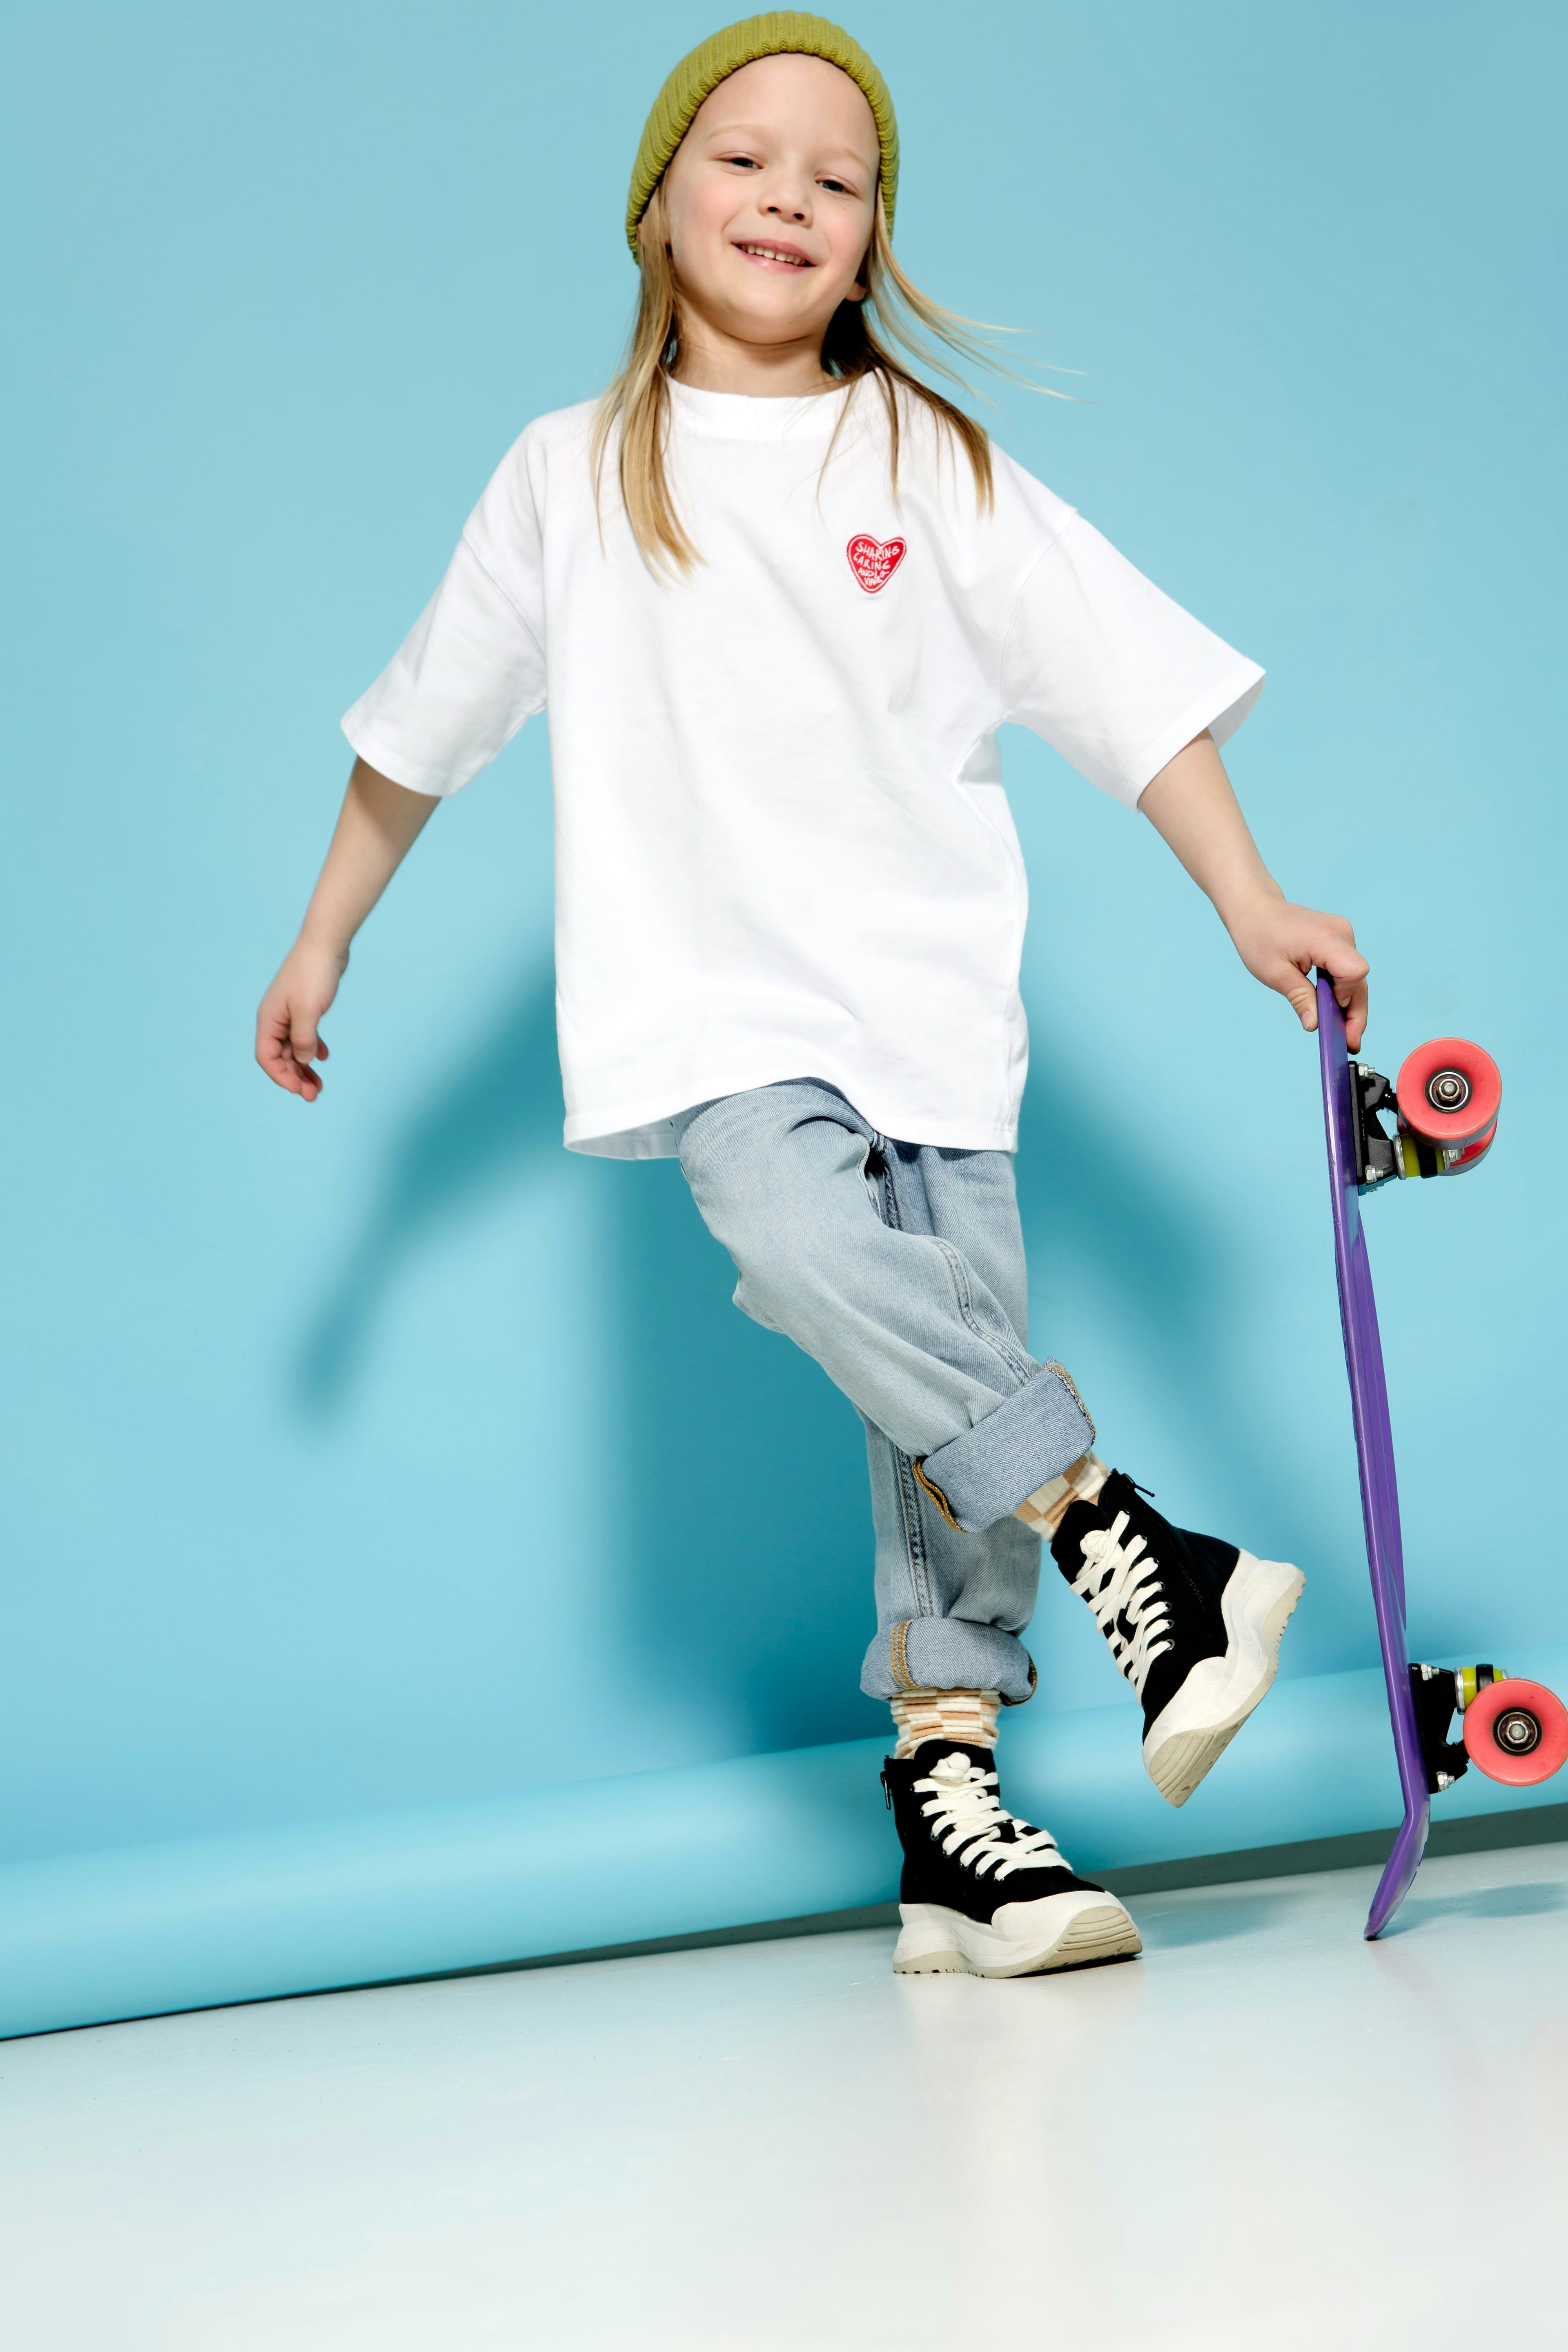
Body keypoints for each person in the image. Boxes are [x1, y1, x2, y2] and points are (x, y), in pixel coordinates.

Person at [256, 15, 1368, 1979]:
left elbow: (1124, 684)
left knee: (922, 1388)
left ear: (870, 245)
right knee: (795, 1230)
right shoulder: (572, 475)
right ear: (658, 197)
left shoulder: (922, 457)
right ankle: (1127, 1538)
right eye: (746, 158)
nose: (787, 197)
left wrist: (1248, 895)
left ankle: (961, 1825)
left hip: (936, 1009)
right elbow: (423, 727)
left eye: (837, 182)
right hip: (719, 1012)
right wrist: (328, 930)